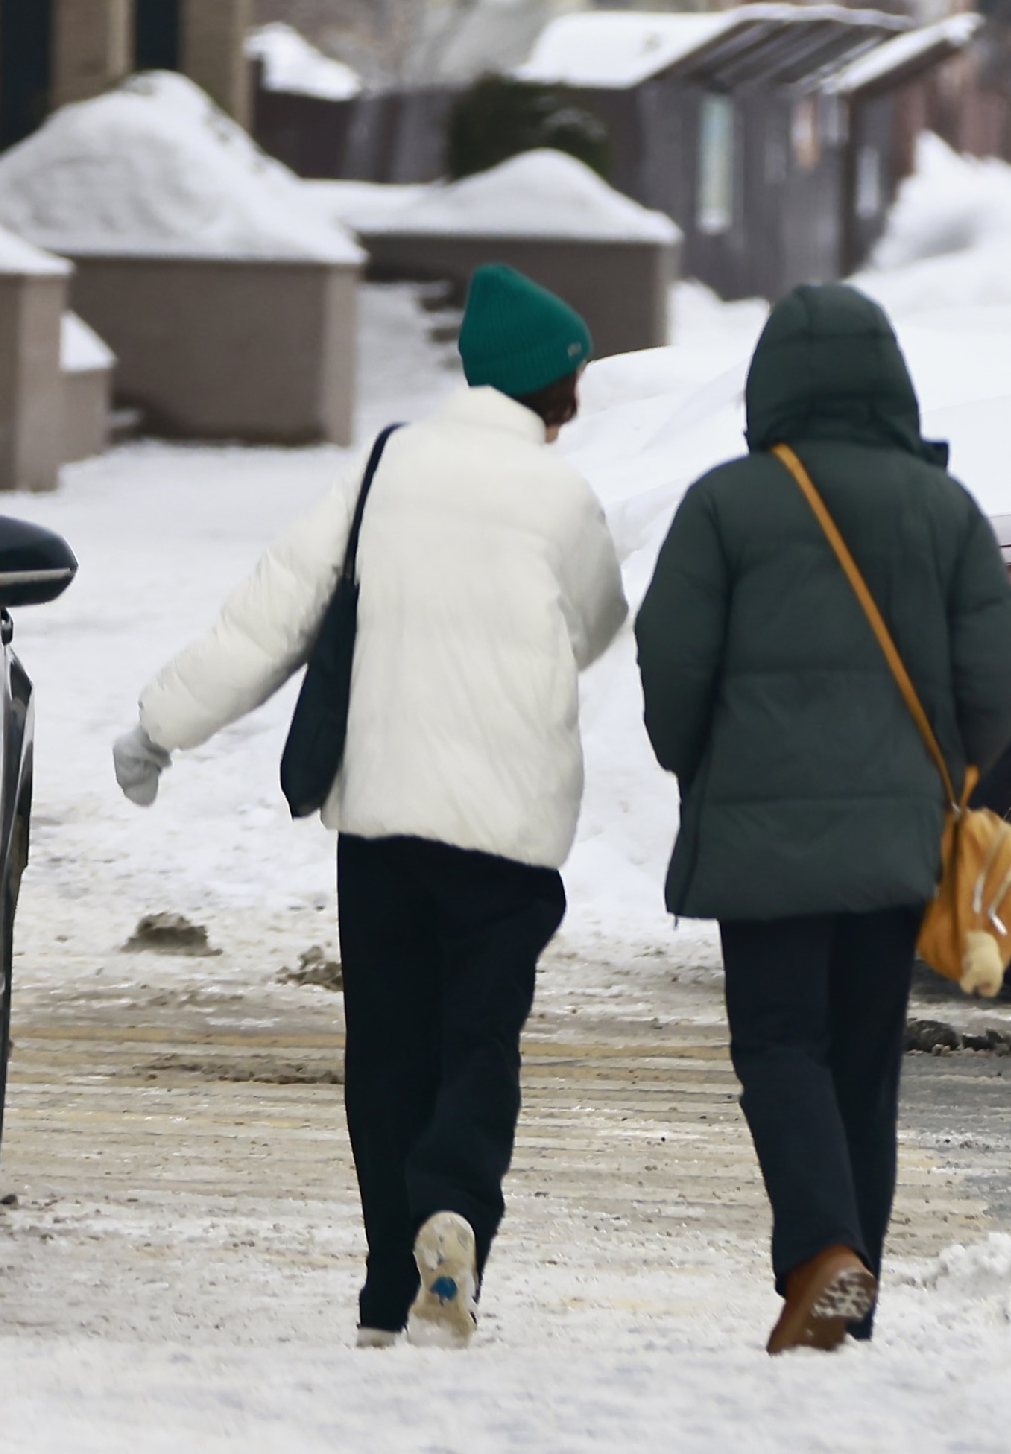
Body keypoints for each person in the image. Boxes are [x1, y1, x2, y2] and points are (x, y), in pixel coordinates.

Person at [110, 263, 628, 1348]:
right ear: (552, 389)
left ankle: (388, 1287)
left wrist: (159, 724)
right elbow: (595, 626)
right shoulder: (559, 497)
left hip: (382, 823)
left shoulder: (385, 468)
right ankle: (454, 1207)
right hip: (507, 833)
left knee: (389, 1046)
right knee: (479, 1039)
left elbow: (267, 620)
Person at [635, 283, 1011, 1354]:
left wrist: (695, 762)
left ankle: (822, 1251)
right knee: (863, 1059)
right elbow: (997, 673)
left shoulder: (726, 501)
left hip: (761, 837)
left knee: (777, 1042)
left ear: (773, 384)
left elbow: (670, 659)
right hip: (899, 835)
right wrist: (955, 772)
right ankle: (856, 1287)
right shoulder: (943, 506)